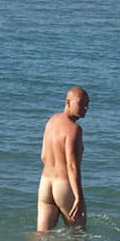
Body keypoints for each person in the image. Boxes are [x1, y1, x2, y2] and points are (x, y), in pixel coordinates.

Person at [36, 86, 90, 232]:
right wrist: (78, 196)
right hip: (64, 186)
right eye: (81, 103)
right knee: (78, 235)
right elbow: (72, 166)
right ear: (68, 102)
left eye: (87, 103)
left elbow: (43, 156)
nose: (85, 107)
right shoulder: (74, 129)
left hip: (45, 184)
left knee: (42, 237)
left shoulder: (51, 121)